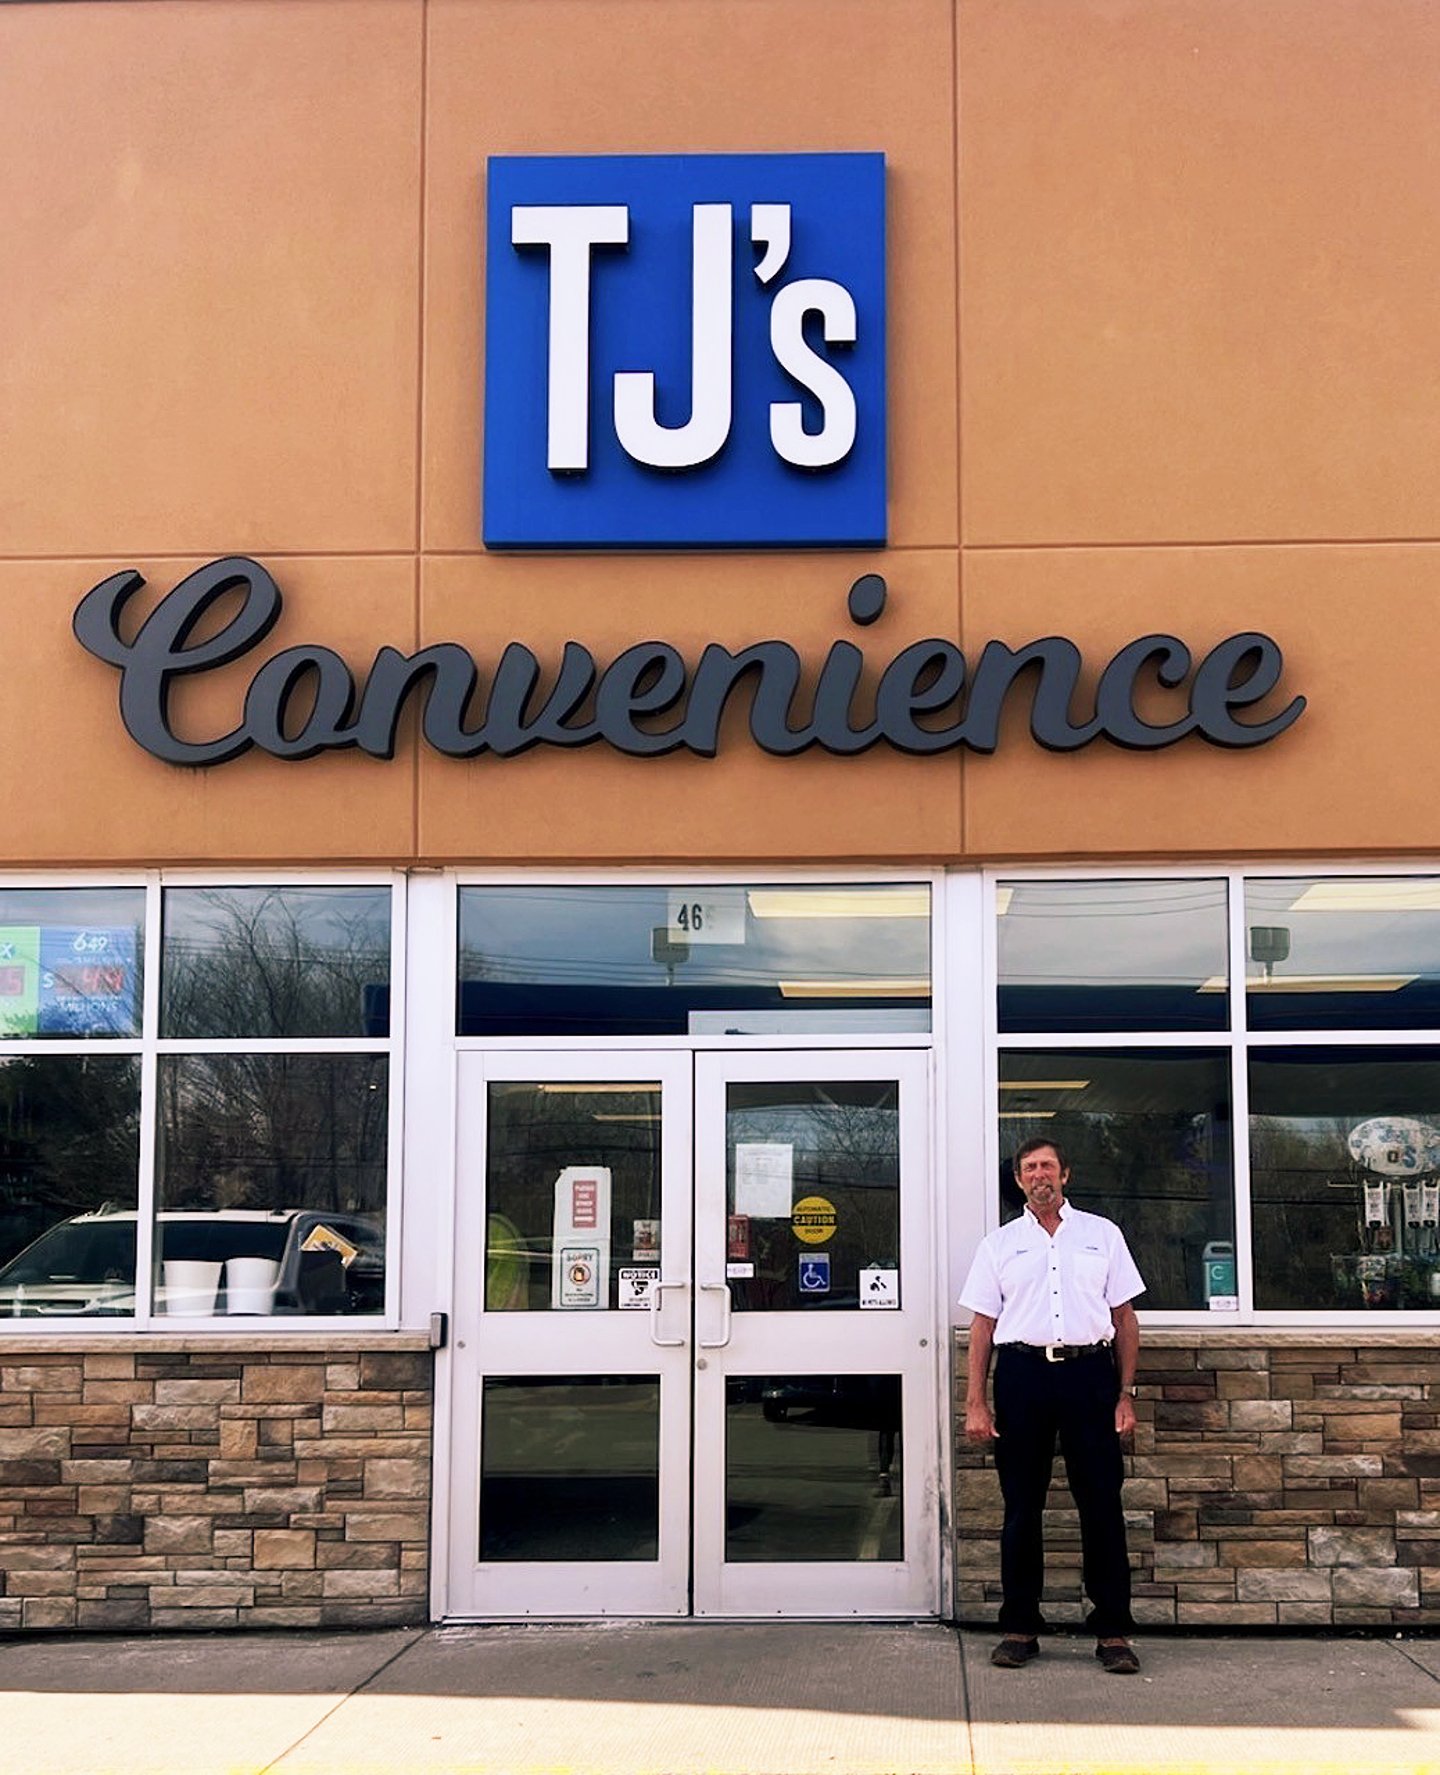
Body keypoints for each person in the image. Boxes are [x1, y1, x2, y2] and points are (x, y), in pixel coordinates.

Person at [959, 1137, 1145, 1675]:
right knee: (1021, 1507)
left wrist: (1125, 1393)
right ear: (1018, 1180)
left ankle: (1112, 1631)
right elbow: (983, 1327)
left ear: (1066, 1173)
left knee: (1102, 1507)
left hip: (1091, 1376)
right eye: (1029, 1169)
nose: (1040, 1175)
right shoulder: (999, 1245)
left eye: (1048, 1166)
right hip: (1022, 1378)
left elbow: (1125, 1318)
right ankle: (1020, 1627)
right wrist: (976, 1401)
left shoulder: (1102, 1235)